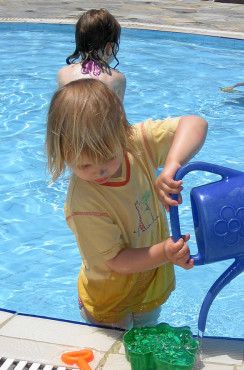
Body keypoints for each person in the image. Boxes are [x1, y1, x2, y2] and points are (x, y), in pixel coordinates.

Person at [46, 79, 208, 330]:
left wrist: (172, 164)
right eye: (84, 165)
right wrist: (165, 252)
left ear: (122, 134)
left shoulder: (137, 142)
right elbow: (117, 261)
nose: (100, 172)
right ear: (62, 152)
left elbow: (196, 123)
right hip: (109, 301)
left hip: (149, 284)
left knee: (147, 332)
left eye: (109, 158)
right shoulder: (84, 203)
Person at [57, 9, 126, 101]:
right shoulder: (117, 79)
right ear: (109, 48)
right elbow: (118, 115)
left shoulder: (63, 74)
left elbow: (57, 111)